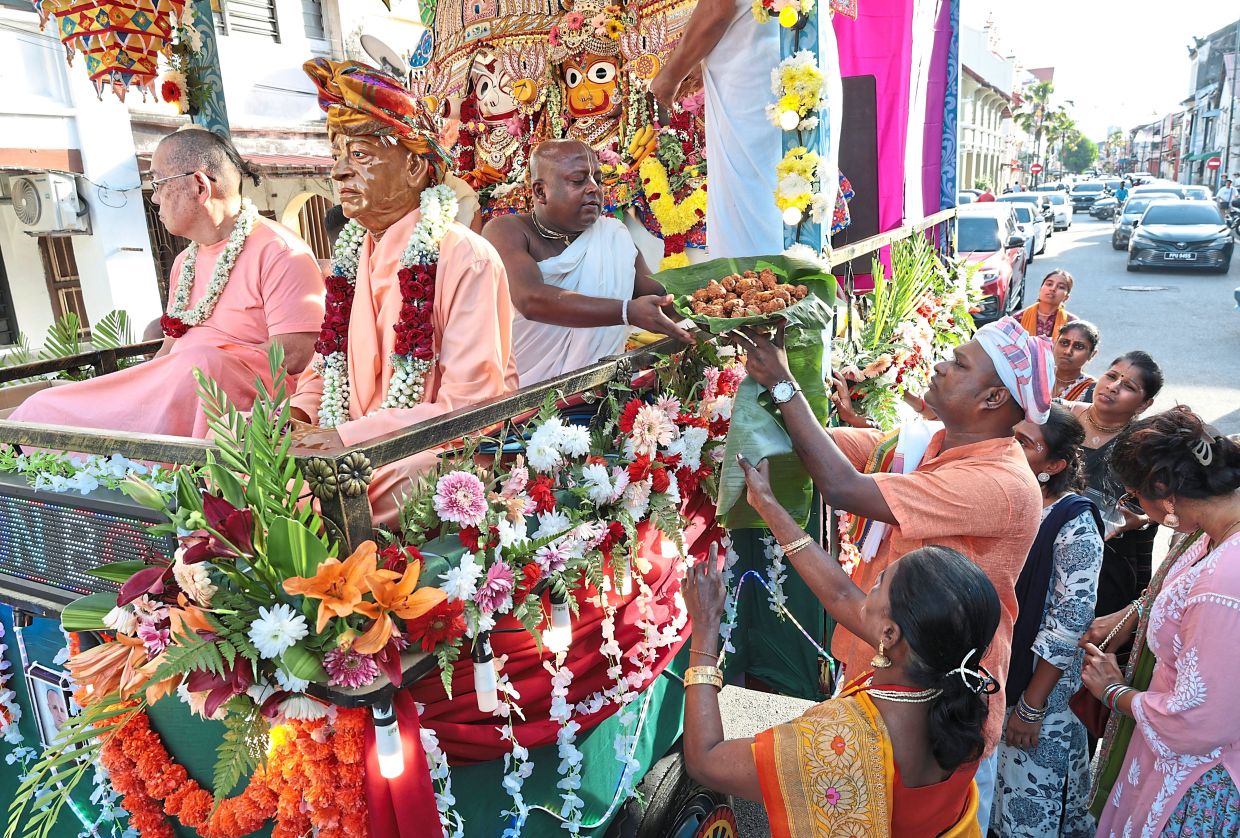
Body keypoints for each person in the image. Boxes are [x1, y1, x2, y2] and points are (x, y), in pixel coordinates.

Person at [733, 314, 1051, 830]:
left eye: (959, 364)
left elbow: (844, 486)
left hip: (940, 712)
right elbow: (845, 451)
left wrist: (785, 387)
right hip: (878, 669)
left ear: (993, 399)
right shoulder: (934, 442)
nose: (942, 365)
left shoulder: (1002, 484)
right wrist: (747, 420)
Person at [290, 59, 518, 526]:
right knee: (250, 474)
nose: (339, 173)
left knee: (367, 487)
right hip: (347, 446)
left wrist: (342, 441)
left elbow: (471, 407)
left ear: (414, 166)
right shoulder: (352, 256)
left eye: (360, 155)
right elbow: (322, 369)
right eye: (337, 156)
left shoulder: (464, 256)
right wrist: (298, 416)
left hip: (434, 448)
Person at [8, 128, 325, 437]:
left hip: (235, 406)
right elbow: (171, 350)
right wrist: (147, 389)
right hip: (181, 391)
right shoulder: (183, 264)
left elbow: (296, 354)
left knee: (202, 363)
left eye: (158, 183)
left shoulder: (279, 251)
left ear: (199, 186)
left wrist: (203, 366)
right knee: (45, 408)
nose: (155, 198)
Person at [682, 543, 999, 836]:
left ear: (888, 634)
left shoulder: (836, 744)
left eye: (879, 582)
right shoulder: (969, 696)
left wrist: (705, 625)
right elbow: (841, 596)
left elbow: (706, 761)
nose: (868, 587)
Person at [1081, 406, 1240, 837]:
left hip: (1198, 777)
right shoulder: (1215, 527)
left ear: (1165, 494)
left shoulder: (1224, 582)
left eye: (1135, 497)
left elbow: (1200, 719)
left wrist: (1115, 693)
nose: (1139, 509)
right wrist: (1136, 612)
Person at [484, 140, 693, 386]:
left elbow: (659, 297)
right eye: (579, 180)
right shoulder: (506, 230)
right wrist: (627, 312)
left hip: (601, 393)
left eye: (597, 179)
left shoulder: (614, 237)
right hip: (522, 399)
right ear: (541, 192)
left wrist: (718, 309)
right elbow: (531, 299)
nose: (594, 188)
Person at [650, 0, 839, 259]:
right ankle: (798, 277)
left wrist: (669, 77)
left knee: (756, 202)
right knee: (795, 191)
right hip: (802, 52)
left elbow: (717, 10)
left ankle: (761, 289)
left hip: (756, 72)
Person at [991, 406, 1102, 838]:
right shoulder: (1003, 497)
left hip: (1038, 695)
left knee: (1028, 812)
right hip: (995, 679)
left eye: (1025, 442)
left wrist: (1032, 707)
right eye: (1010, 435)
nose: (1011, 446)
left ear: (1053, 466)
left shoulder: (1073, 522)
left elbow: (1069, 622)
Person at [1062, 351, 1163, 621]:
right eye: (1111, 375)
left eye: (1129, 386)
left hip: (1105, 561)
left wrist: (1139, 521)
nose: (1113, 386)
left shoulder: (1144, 447)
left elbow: (1170, 509)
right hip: (1042, 538)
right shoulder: (1061, 419)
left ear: (1144, 404)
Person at [1017, 270, 1076, 339]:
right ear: (1040, 289)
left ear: (1066, 297)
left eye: (1060, 287)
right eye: (1049, 284)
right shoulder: (1018, 319)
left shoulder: (1072, 323)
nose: (1053, 289)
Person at [1051, 320, 1100, 401]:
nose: (1067, 352)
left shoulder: (1094, 390)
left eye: (1079, 346)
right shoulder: (1036, 376)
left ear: (1092, 354)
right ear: (1055, 343)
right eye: (1064, 343)